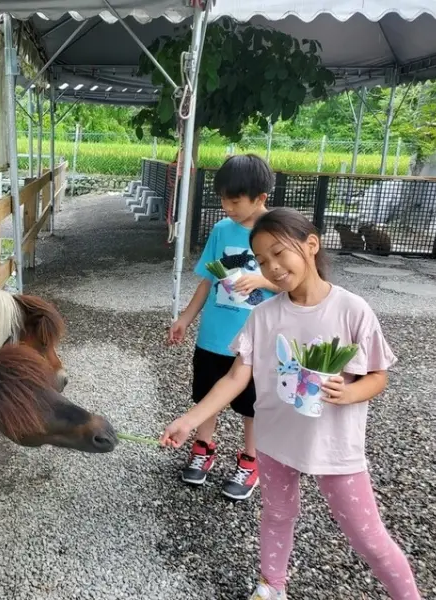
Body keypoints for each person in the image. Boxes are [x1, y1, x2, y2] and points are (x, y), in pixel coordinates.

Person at [160, 207, 422, 600]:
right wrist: (189, 419)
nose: (273, 267)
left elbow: (377, 375)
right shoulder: (263, 315)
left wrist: (350, 393)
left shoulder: (351, 309)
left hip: (334, 447)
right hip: (274, 442)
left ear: (311, 245)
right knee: (277, 516)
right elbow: (235, 377)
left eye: (280, 253)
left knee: (367, 537)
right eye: (262, 260)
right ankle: (272, 585)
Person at [167, 154, 280, 501]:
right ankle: (202, 448)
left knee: (251, 406)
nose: (227, 207)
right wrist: (185, 318)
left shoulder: (278, 233)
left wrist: (261, 278)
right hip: (214, 336)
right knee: (205, 396)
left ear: (261, 198)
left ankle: (250, 460)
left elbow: (294, 282)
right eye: (223, 199)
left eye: (235, 201)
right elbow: (208, 280)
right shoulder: (220, 230)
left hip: (256, 341)